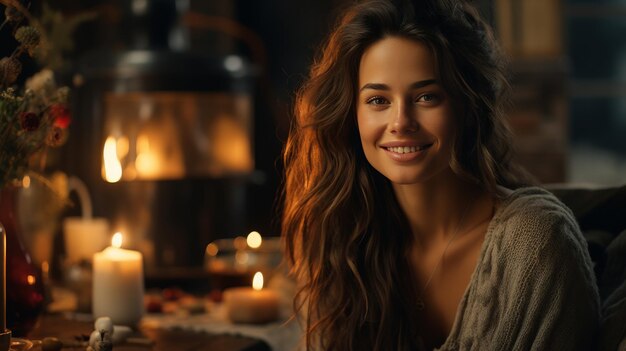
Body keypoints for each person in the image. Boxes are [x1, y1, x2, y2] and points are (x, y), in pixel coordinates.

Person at [281, 0, 600, 350]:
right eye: (377, 100)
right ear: (351, 114)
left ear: (467, 106)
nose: (400, 122)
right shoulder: (342, 238)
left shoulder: (535, 244)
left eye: (426, 96)